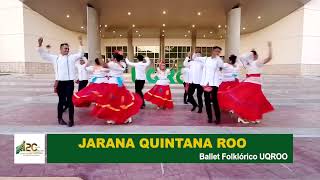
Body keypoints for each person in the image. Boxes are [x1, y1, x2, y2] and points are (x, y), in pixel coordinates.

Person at [223, 42, 274, 124]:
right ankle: (244, 116)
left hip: (252, 83)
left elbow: (242, 57)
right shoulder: (256, 63)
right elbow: (269, 58)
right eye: (256, 54)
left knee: (251, 100)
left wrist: (251, 52)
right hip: (254, 84)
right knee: (254, 101)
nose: (257, 56)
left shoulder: (247, 64)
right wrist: (270, 47)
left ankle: (251, 116)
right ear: (254, 56)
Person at [37, 36, 84, 127]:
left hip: (69, 82)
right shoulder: (55, 58)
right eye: (65, 48)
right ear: (60, 49)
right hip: (60, 83)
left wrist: (81, 42)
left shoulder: (72, 57)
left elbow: (80, 54)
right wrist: (40, 44)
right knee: (61, 101)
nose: (67, 50)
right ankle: (60, 119)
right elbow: (43, 55)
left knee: (70, 101)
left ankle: (71, 120)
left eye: (68, 48)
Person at [92, 51, 143, 124]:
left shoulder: (112, 64)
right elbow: (119, 67)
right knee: (122, 101)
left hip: (113, 83)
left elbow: (104, 66)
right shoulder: (123, 64)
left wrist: (101, 60)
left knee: (112, 101)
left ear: (115, 58)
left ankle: (114, 118)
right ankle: (126, 118)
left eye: (113, 57)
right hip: (120, 84)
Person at [193, 46, 224, 124]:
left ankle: (218, 119)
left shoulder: (218, 60)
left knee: (214, 101)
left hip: (214, 83)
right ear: (212, 51)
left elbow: (221, 65)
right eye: (216, 51)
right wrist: (195, 52)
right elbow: (194, 58)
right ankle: (209, 118)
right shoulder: (205, 59)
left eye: (219, 52)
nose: (217, 53)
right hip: (206, 83)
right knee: (206, 101)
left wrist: (218, 57)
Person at [185, 48, 204, 113]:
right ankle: (195, 105)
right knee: (189, 95)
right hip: (192, 82)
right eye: (196, 53)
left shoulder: (202, 63)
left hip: (200, 82)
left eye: (198, 53)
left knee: (199, 96)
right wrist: (188, 56)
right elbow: (185, 64)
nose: (196, 55)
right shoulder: (191, 62)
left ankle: (200, 108)